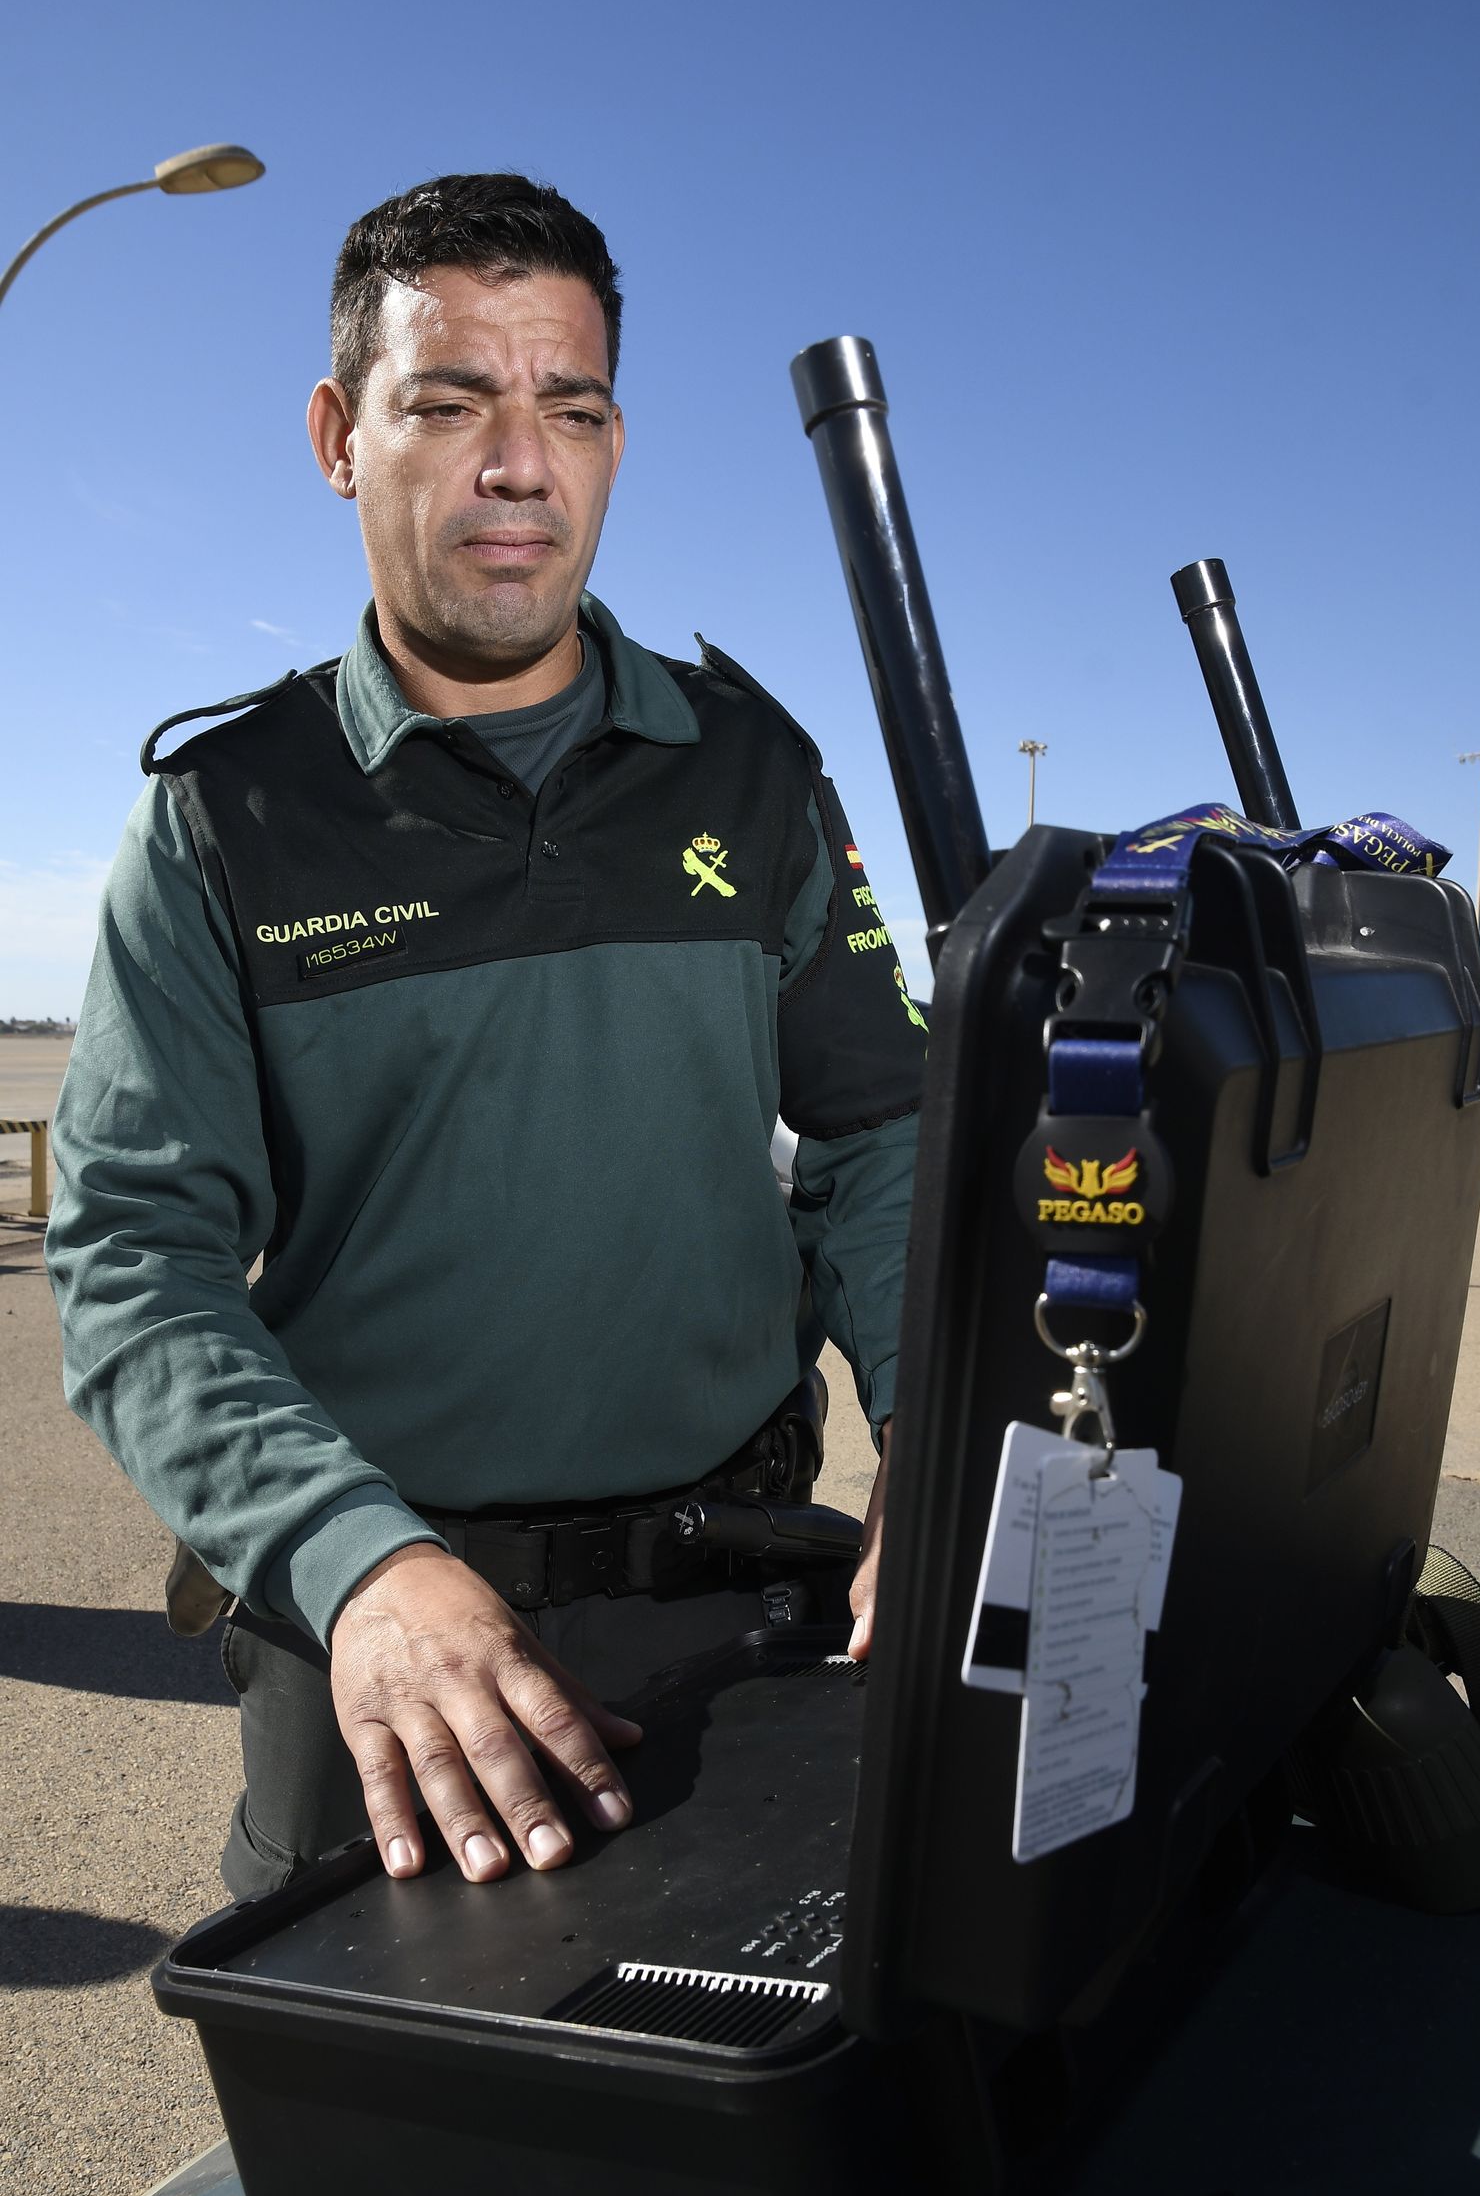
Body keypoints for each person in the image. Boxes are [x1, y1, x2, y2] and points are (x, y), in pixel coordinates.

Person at [46, 174, 925, 1904]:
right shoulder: (227, 818)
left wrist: (939, 1433)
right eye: (449, 403)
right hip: (386, 1640)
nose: (519, 465)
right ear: (338, 436)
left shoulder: (751, 769)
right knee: (403, 2158)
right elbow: (137, 1254)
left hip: (746, 1587)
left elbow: (885, 1133)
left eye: (570, 409)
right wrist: (352, 1563)